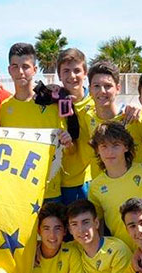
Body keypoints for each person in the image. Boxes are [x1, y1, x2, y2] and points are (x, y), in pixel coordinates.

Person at [0, 42, 73, 203]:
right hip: (19, 191)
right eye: (15, 66)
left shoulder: (52, 104)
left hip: (50, 191)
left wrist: (68, 141)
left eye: (25, 66)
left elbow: (68, 147)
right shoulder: (4, 108)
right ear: (9, 69)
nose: (20, 72)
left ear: (35, 70)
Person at [87, 122, 142, 249]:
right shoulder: (95, 187)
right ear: (97, 150)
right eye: (104, 146)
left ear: (126, 147)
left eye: (116, 145)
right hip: (122, 255)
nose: (110, 152)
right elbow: (98, 227)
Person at [83, 60, 142, 177]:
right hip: (101, 192)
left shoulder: (133, 117)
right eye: (96, 86)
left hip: (136, 192)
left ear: (118, 88)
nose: (102, 91)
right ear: (90, 89)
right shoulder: (87, 117)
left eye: (108, 86)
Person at [57, 48, 94, 204]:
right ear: (59, 75)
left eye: (77, 70)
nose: (72, 76)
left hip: (88, 181)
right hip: (59, 183)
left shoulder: (95, 103)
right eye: (66, 71)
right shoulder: (54, 102)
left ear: (85, 73)